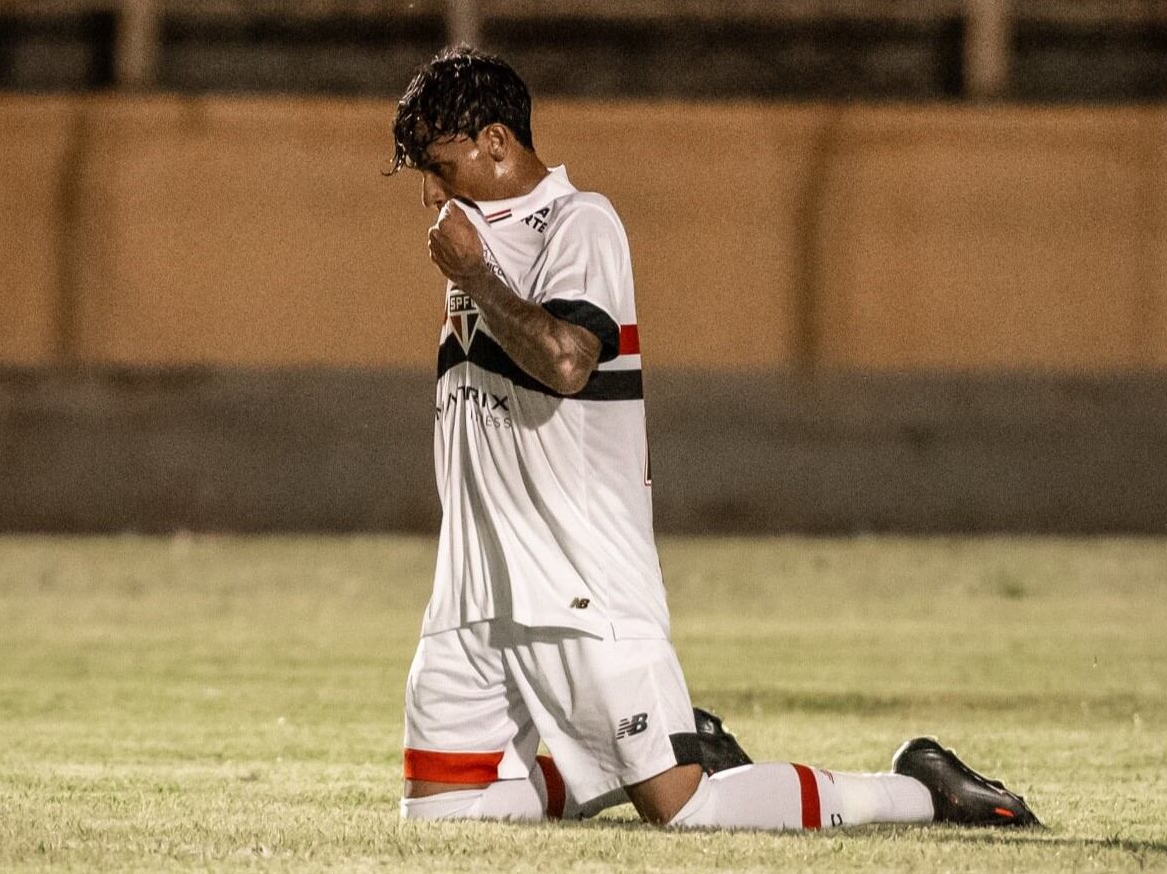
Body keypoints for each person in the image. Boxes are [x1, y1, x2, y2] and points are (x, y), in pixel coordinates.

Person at [389, 46, 1040, 830]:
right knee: (444, 812)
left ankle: (922, 792)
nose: (428, 190)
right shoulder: (472, 238)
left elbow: (567, 362)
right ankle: (640, 759)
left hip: (577, 588)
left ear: (495, 143)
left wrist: (477, 276)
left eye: (437, 162)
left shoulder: (577, 222)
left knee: (686, 812)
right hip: (472, 589)